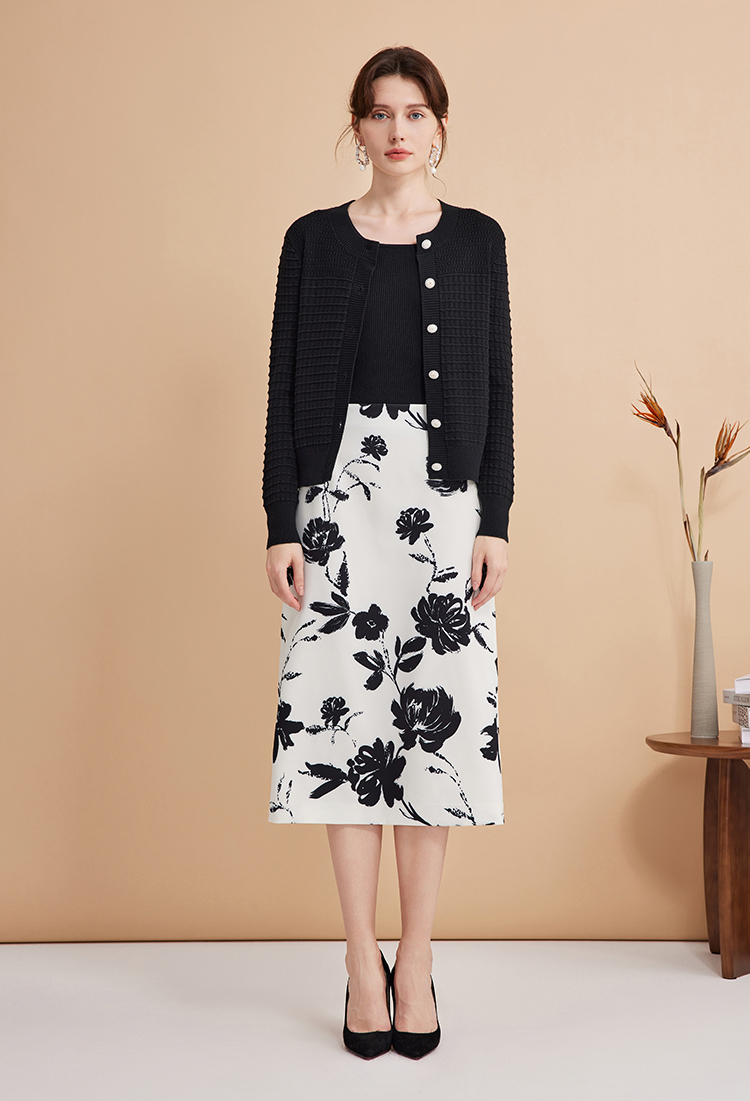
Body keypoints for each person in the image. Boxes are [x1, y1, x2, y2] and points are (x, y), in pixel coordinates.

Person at [262, 45, 513, 1059]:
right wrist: (280, 521)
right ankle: (361, 959)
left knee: (431, 733)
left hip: (444, 506)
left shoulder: (480, 242)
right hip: (336, 505)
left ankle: (417, 956)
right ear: (357, 127)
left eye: (414, 112)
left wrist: (497, 518)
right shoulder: (312, 240)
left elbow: (498, 388)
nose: (397, 129)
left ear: (439, 127)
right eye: (379, 112)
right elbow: (283, 388)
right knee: (345, 729)